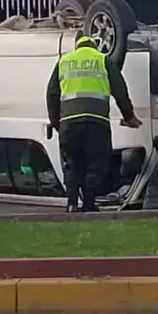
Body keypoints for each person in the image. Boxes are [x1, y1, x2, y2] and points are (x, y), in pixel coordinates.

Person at [46, 33, 142, 213]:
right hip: (96, 122)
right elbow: (120, 90)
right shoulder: (102, 60)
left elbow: (51, 93)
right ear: (94, 45)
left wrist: (56, 123)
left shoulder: (64, 61)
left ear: (77, 46)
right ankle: (89, 203)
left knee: (72, 163)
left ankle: (72, 204)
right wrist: (129, 117)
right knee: (96, 162)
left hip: (69, 123)